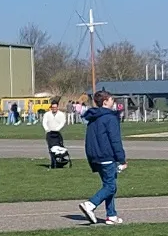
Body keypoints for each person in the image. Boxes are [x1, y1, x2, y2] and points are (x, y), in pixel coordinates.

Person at [77, 90, 127, 224]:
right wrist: (121, 159)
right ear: (105, 102)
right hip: (106, 156)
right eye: (111, 100)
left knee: (109, 185)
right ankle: (91, 204)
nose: (113, 102)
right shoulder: (110, 118)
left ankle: (111, 215)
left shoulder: (93, 118)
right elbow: (115, 140)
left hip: (95, 156)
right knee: (110, 186)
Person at [41, 103, 70, 168]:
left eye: (55, 107)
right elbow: (44, 122)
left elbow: (62, 122)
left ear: (57, 108)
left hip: (57, 133)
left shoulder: (61, 114)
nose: (54, 109)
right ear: (51, 108)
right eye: (53, 107)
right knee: (51, 149)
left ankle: (60, 162)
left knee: (59, 147)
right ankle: (53, 162)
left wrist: (57, 129)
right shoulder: (47, 114)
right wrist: (47, 129)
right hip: (49, 133)